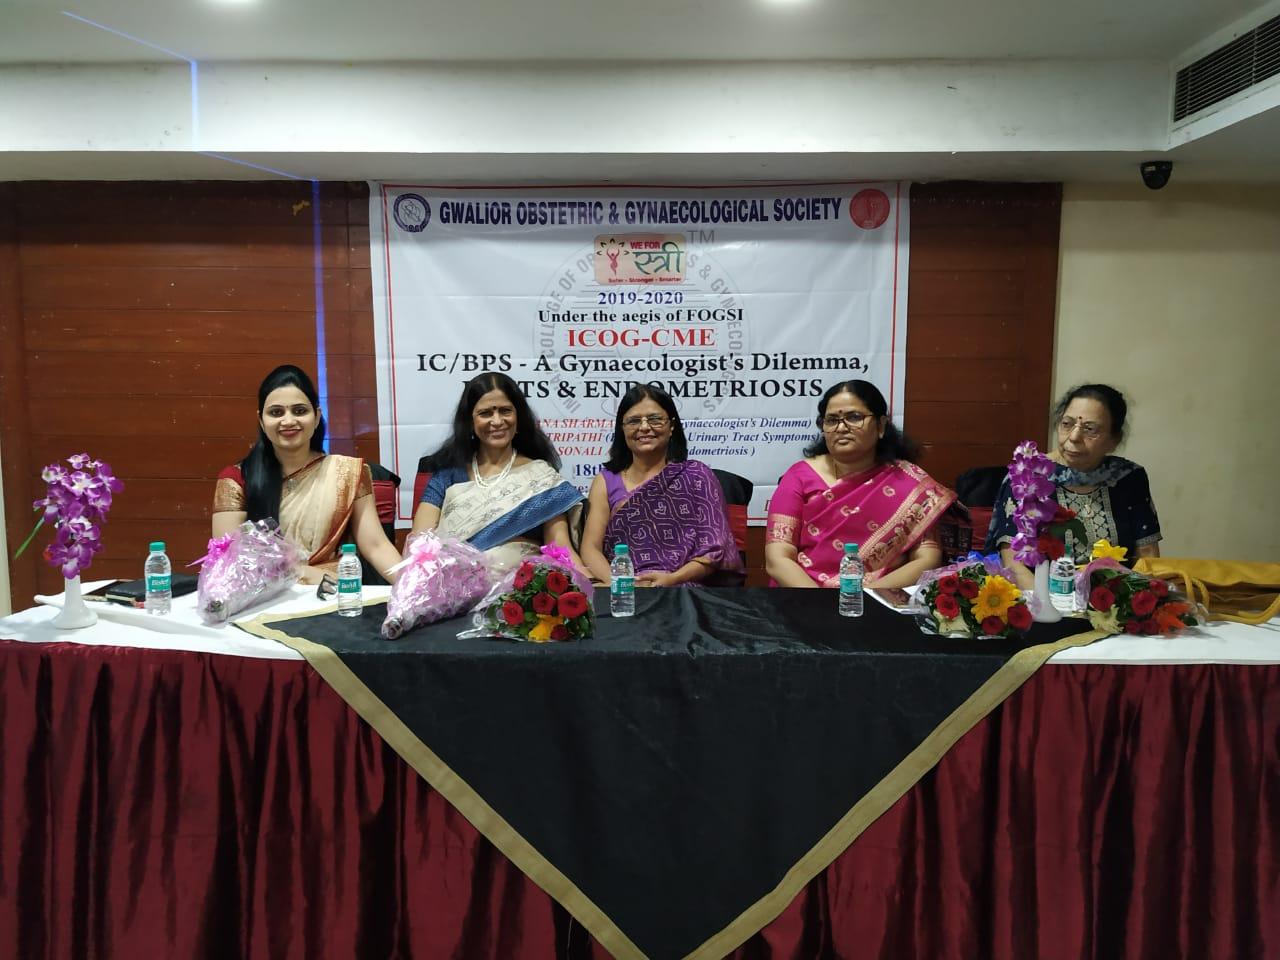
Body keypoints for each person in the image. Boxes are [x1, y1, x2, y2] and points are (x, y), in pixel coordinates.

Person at [212, 364, 402, 585]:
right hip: (265, 595)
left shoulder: (348, 473)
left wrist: (413, 588)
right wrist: (297, 573)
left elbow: (376, 546)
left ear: (317, 416)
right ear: (261, 421)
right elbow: (228, 561)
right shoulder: (236, 479)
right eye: (276, 412)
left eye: (300, 411)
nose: (288, 421)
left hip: (332, 592)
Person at [765, 380, 955, 589]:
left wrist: (864, 598)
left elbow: (927, 559)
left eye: (854, 417)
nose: (841, 428)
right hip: (804, 597)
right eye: (832, 420)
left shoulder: (910, 482)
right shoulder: (799, 476)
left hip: (882, 598)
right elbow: (778, 559)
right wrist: (820, 601)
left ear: (881, 426)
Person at [985, 383, 1161, 588]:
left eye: (1090, 429)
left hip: (1116, 600)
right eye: (1067, 424)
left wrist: (1130, 599)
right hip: (1042, 599)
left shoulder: (1128, 478)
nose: (1074, 437)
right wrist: (1050, 604)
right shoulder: (1027, 477)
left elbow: (1147, 556)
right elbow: (1013, 563)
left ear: (1114, 439)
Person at [408, 372, 583, 574]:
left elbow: (560, 549)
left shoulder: (542, 477)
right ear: (470, 421)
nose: (497, 421)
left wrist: (593, 585)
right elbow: (420, 545)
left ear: (518, 417)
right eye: (485, 413)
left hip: (521, 590)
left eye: (505, 411)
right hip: (453, 588)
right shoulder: (447, 476)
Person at [580, 385, 744, 587]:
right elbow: (591, 548)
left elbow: (714, 549)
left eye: (655, 419)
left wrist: (673, 579)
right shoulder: (606, 480)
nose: (644, 427)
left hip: (683, 587)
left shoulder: (697, 475)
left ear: (671, 425)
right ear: (622, 428)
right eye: (633, 421)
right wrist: (621, 584)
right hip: (622, 589)